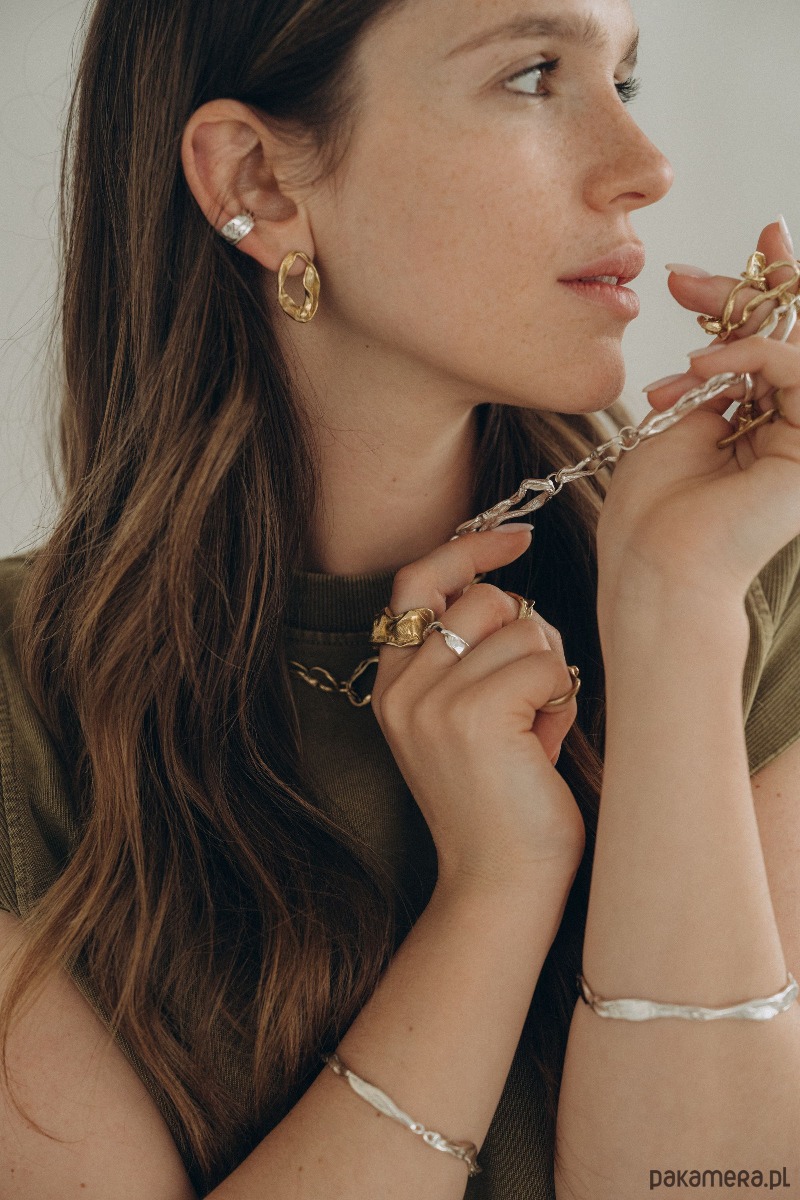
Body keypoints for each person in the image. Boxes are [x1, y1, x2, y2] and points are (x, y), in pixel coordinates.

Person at [0, 0, 799, 1196]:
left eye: (619, 81)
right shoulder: (20, 718)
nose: (644, 167)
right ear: (258, 180)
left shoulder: (740, 591)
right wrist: (493, 893)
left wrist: (673, 613)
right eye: (531, 75)